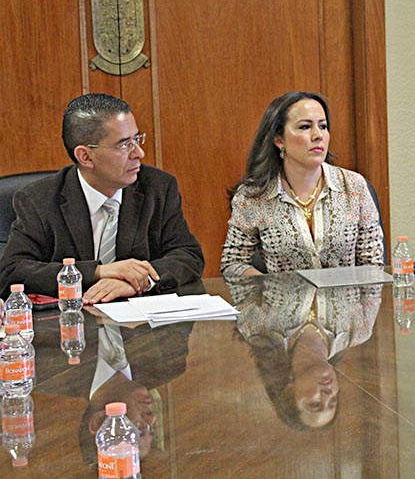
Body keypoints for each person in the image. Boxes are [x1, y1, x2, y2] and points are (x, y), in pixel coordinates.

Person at [0, 93, 204, 303]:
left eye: (137, 139)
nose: (139, 153)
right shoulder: (38, 199)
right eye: (124, 145)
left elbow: (188, 256)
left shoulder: (158, 187)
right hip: (72, 324)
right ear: (85, 157)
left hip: (141, 324)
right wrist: (99, 272)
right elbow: (12, 271)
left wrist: (135, 281)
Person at [220, 91, 383, 278]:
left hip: (346, 304)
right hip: (281, 305)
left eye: (323, 126)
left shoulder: (354, 187)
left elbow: (373, 264)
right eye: (305, 127)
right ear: (279, 139)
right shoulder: (254, 195)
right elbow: (233, 263)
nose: (318, 135)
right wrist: (269, 288)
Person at [231, 272, 381, 429]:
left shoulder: (256, 328)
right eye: (333, 401)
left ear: (289, 391)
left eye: (315, 404)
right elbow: (373, 271)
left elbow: (237, 272)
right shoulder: (358, 331)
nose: (328, 394)